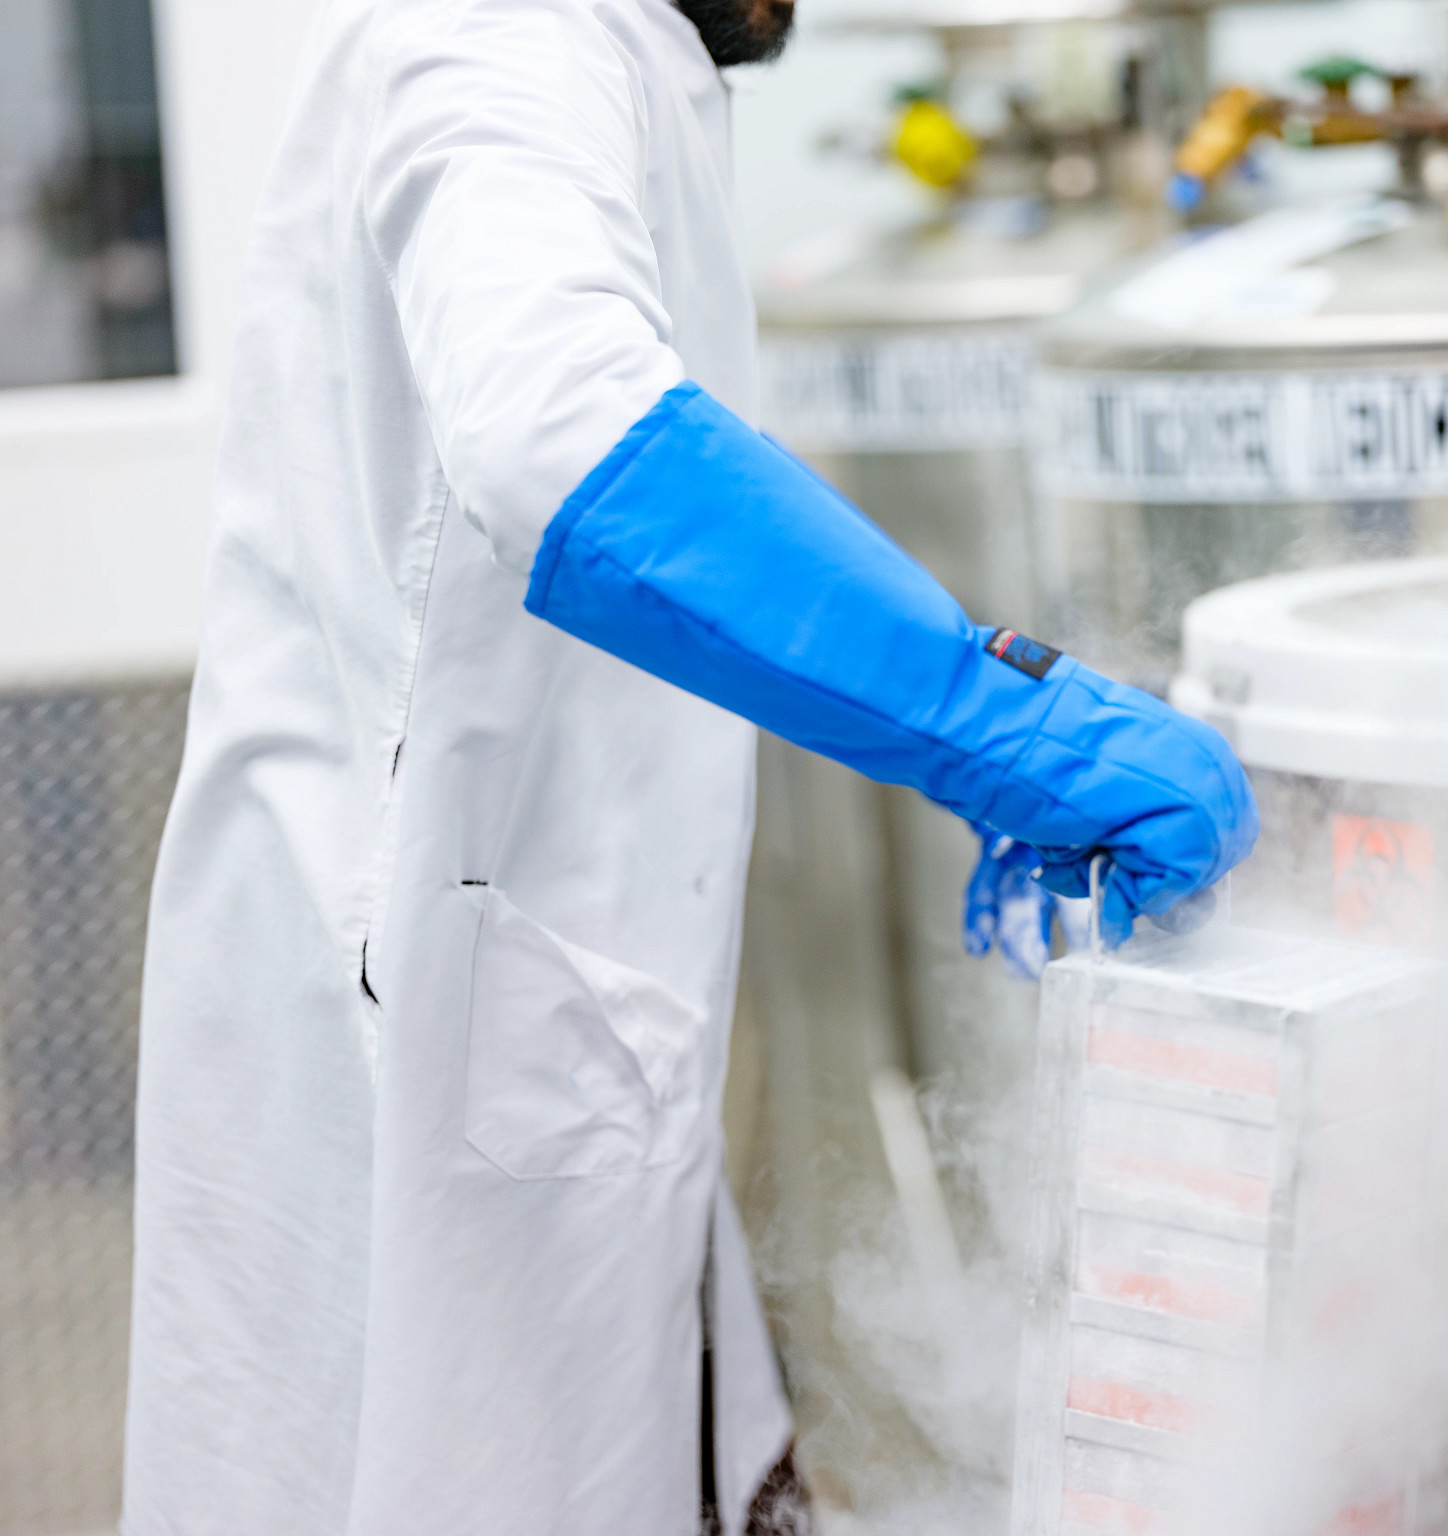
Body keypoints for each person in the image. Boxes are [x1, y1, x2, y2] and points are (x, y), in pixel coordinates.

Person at [121, 0, 1257, 1532]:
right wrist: (988, 717)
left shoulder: (608, 57)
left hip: (534, 1000)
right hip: (432, 1009)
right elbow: (561, 433)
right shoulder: (497, 33)